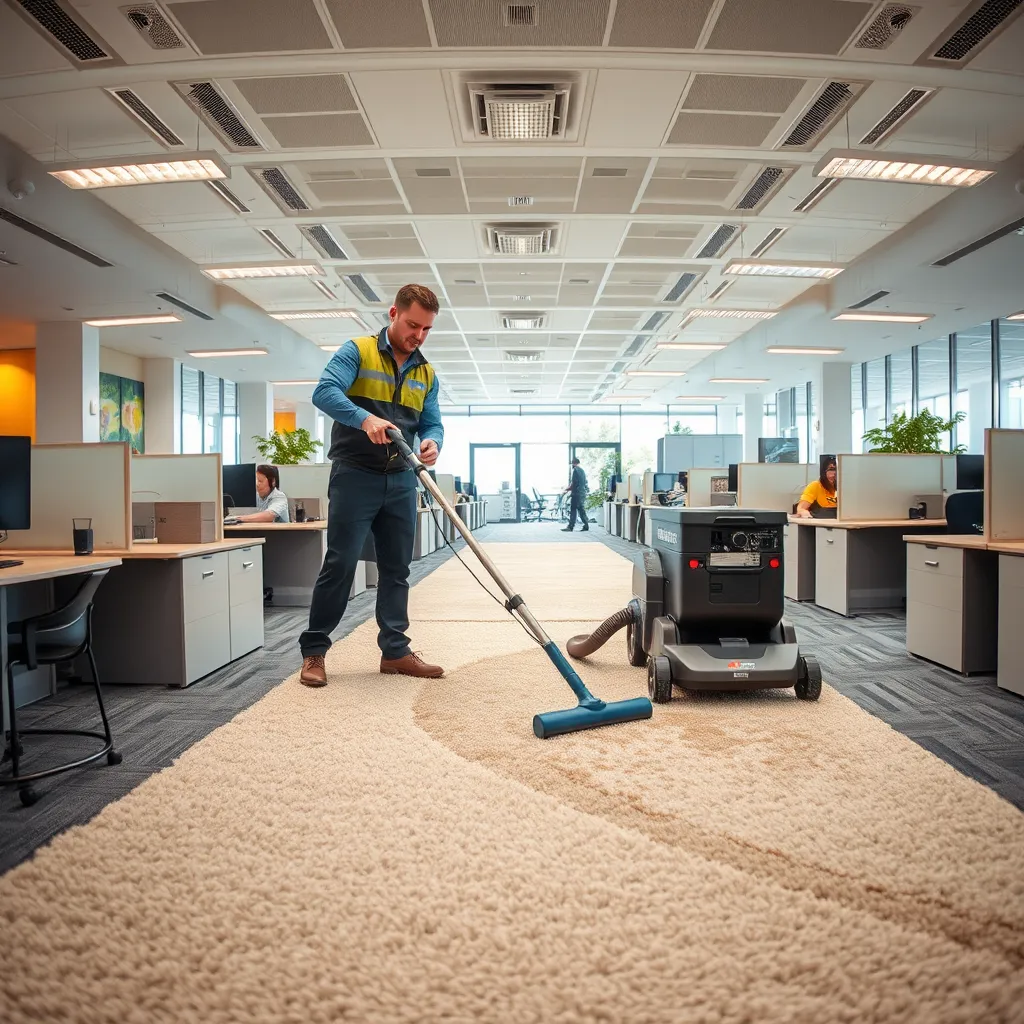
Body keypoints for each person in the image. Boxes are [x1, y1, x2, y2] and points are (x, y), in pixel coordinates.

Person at [297, 284, 444, 687]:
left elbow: (432, 422)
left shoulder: (426, 372)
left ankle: (395, 651)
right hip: (355, 475)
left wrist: (433, 442)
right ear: (394, 314)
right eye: (413, 325)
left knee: (397, 568)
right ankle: (314, 652)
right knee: (340, 564)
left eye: (427, 329)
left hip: (400, 478)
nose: (419, 335)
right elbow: (323, 392)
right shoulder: (357, 351)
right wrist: (365, 419)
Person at [561, 457, 589, 532]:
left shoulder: (575, 470)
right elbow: (584, 482)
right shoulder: (582, 471)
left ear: (573, 463)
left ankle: (570, 527)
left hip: (576, 493)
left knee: (573, 509)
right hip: (582, 493)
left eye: (572, 464)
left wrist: (566, 490)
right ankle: (586, 525)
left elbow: (574, 483)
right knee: (581, 509)